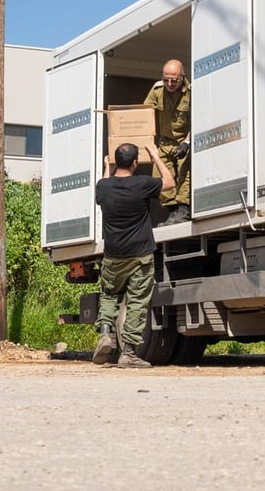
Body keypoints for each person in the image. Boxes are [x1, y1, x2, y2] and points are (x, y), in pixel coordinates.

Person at [92, 140, 175, 368]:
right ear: (136, 163)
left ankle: (106, 334)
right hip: (140, 254)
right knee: (137, 302)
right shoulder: (142, 184)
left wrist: (106, 166)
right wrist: (156, 156)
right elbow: (170, 183)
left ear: (116, 161)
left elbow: (105, 184)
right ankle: (128, 353)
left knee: (109, 294)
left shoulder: (103, 187)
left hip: (113, 255)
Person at [143, 58, 192, 223]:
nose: (170, 83)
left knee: (185, 174)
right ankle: (172, 211)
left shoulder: (192, 92)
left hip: (184, 140)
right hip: (165, 142)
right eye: (166, 80)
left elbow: (200, 118)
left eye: (174, 80)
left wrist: (187, 142)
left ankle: (184, 210)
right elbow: (144, 115)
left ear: (182, 76)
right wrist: (148, 143)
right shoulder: (157, 90)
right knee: (160, 177)